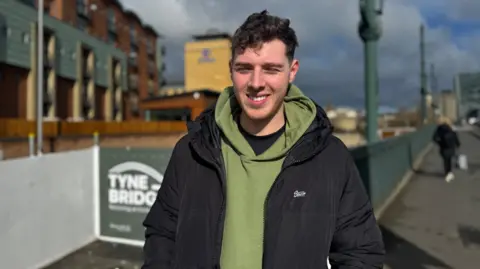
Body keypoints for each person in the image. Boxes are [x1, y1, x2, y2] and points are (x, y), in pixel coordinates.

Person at [142, 10, 385, 269]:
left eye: (271, 69)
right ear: (231, 70)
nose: (256, 83)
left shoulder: (330, 156)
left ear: (292, 71)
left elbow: (361, 253)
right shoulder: (191, 150)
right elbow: (162, 234)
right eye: (245, 68)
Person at [433, 116, 461, 182]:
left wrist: (440, 143)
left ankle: (447, 173)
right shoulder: (451, 127)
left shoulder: (439, 129)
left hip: (443, 147)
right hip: (451, 146)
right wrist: (457, 144)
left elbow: (434, 138)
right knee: (449, 160)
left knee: (445, 160)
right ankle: (449, 172)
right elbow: (455, 136)